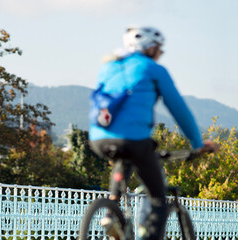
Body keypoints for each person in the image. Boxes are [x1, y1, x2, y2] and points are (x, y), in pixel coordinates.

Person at [88, 26, 219, 240]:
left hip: (98, 138)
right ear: (150, 48)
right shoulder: (153, 69)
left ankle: (111, 211)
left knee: (123, 158)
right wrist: (197, 142)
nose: (160, 54)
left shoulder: (109, 67)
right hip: (134, 140)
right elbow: (179, 109)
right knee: (158, 198)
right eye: (159, 49)